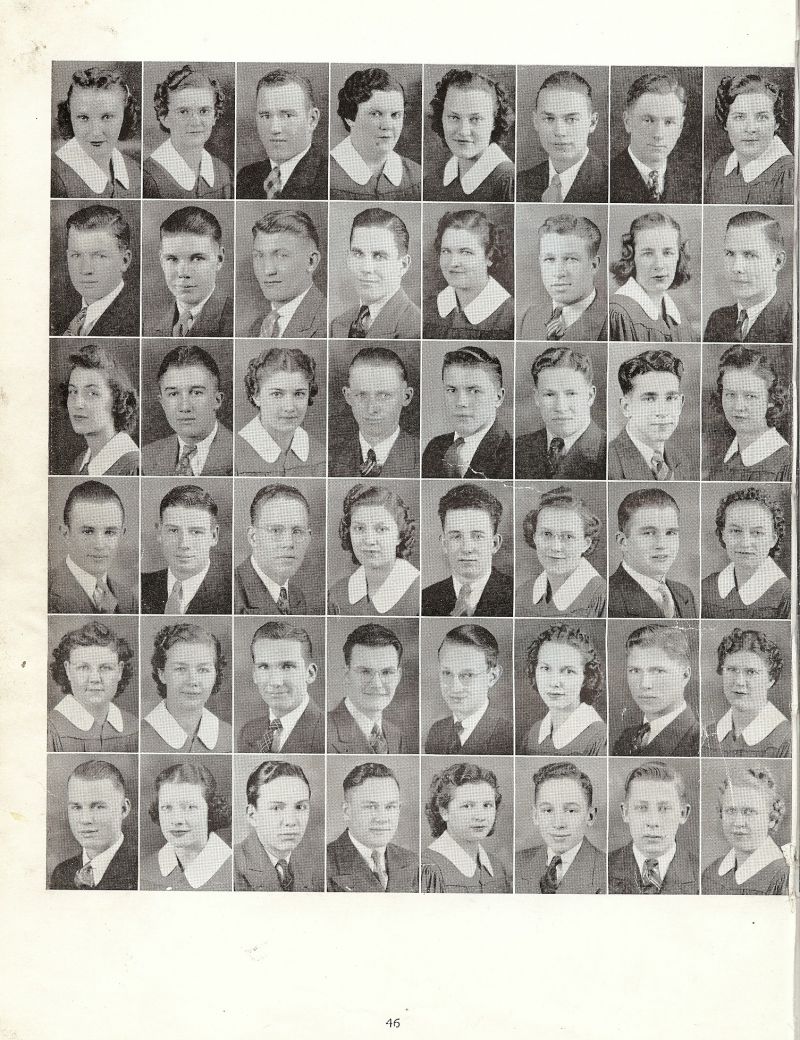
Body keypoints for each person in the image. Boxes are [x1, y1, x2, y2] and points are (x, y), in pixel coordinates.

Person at [330, 67, 421, 200]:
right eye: (375, 114)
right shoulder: (326, 176)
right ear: (350, 118)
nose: (387, 126)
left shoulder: (417, 176)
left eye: (395, 115)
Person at [423, 483, 513, 617]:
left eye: (477, 536)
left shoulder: (514, 594)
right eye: (456, 536)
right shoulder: (425, 599)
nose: (467, 548)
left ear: (495, 544)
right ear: (444, 544)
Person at [515, 346, 606, 480]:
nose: (560, 407)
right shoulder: (517, 448)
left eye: (571, 394)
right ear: (537, 397)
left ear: (590, 396)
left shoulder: (607, 451)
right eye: (549, 394)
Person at [328, 485, 420, 617]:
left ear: (400, 535)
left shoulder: (419, 593)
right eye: (359, 528)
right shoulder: (337, 593)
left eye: (381, 529)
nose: (370, 540)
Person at [424, 68, 514, 202]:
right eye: (454, 117)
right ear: (441, 117)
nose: (463, 131)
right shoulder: (433, 180)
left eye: (475, 119)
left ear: (494, 122)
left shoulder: (508, 182)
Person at [236, 68, 327, 200]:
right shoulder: (246, 176)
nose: (274, 128)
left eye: (287, 115)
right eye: (265, 116)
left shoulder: (328, 178)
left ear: (312, 119)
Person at [608, 760, 698, 894]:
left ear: (683, 813)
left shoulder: (701, 875)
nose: (652, 822)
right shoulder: (605, 868)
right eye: (641, 808)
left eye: (664, 808)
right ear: (625, 812)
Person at [516, 762, 606, 894]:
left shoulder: (607, 870)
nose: (558, 824)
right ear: (535, 816)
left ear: (590, 816)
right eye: (547, 810)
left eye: (571, 811)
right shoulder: (517, 863)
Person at [422, 346, 512, 479]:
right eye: (452, 390)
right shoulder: (435, 447)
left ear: (498, 397)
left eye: (474, 391)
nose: (461, 402)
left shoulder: (513, 455)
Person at [423, 209, 514, 340]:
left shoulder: (510, 316)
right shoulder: (427, 309)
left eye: (466, 252)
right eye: (446, 251)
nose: (453, 263)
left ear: (489, 256)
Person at [143, 65, 232, 199]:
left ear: (214, 116)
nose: (195, 121)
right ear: (164, 117)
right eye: (184, 112)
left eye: (204, 111)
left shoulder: (223, 172)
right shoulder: (148, 178)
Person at [142, 345, 233, 476]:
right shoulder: (145, 457)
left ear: (217, 400)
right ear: (162, 403)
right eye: (173, 394)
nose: (185, 407)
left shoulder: (241, 453)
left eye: (196, 393)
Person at [518, 70, 608, 203]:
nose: (559, 132)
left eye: (571, 119)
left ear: (592, 122)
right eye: (549, 118)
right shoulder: (520, 182)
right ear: (535, 121)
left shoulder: (610, 183)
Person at [330, 208, 420, 338]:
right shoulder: (337, 325)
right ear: (348, 258)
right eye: (358, 254)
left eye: (379, 256)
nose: (366, 268)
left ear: (403, 265)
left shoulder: (417, 327)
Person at [421, 763, 512, 894]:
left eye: (487, 805)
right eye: (467, 806)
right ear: (444, 811)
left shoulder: (496, 866)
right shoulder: (429, 869)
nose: (480, 816)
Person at [327, 762, 418, 892]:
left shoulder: (414, 862)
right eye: (370, 807)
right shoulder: (323, 864)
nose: (382, 818)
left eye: (390, 807)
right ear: (347, 811)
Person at [140, 762, 232, 891]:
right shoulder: (143, 870)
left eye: (190, 807)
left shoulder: (232, 868)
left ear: (210, 809)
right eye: (167, 807)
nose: (177, 820)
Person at [48, 480, 136, 614]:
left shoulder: (129, 599)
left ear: (121, 535)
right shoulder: (43, 592)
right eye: (88, 531)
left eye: (110, 532)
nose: (99, 545)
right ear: (66, 534)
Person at [52, 66, 142, 199]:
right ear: (69, 116)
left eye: (107, 117)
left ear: (125, 116)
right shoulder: (54, 178)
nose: (95, 132)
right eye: (83, 117)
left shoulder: (135, 170)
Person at [47, 621, 137, 752]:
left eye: (106, 667)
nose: (95, 679)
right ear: (67, 670)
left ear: (120, 670)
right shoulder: (50, 730)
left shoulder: (133, 727)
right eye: (83, 667)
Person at [701, 487, 790, 619]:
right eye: (736, 531)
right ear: (723, 535)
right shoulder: (707, 587)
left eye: (757, 533)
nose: (745, 543)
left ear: (773, 539)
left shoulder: (786, 594)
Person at [144, 205, 233, 337]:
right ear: (162, 260)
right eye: (172, 259)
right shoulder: (149, 324)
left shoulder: (233, 322)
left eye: (197, 258)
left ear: (219, 259)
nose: (183, 273)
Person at [236, 346, 326, 476]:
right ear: (256, 395)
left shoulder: (320, 455)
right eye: (277, 394)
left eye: (299, 394)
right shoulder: (234, 454)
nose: (289, 407)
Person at [517, 487, 606, 618]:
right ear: (535, 537)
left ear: (585, 543)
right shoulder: (523, 592)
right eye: (547, 534)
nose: (556, 547)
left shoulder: (602, 596)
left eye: (568, 537)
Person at [704, 210, 791, 343]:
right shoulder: (718, 320)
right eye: (730, 253)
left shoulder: (792, 323)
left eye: (750, 255)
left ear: (777, 261)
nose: (736, 268)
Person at [610, 72, 699, 203]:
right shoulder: (607, 178)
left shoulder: (694, 183)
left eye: (669, 122)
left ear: (680, 127)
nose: (658, 135)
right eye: (648, 120)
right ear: (628, 122)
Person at [706, 73, 794, 205]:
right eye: (739, 117)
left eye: (762, 117)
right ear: (725, 123)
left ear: (776, 123)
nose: (751, 128)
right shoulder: (720, 168)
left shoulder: (789, 174)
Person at [143, 622, 232, 753]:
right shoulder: (139, 737)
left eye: (203, 669)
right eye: (180, 669)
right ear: (162, 674)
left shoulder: (230, 736)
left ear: (216, 674)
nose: (193, 681)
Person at [141, 484, 229, 615]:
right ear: (159, 533)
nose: (183, 544)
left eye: (196, 532)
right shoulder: (142, 586)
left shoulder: (231, 592)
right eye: (173, 530)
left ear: (214, 536)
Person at [706, 345, 791, 482]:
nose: (738, 407)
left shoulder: (788, 465)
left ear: (771, 399)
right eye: (730, 394)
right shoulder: (720, 464)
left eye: (750, 396)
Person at [234, 761, 323, 892]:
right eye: (276, 808)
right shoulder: (232, 867)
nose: (291, 821)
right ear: (252, 815)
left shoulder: (315, 869)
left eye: (300, 807)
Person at [48, 760, 137, 890]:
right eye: (76, 807)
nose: (85, 819)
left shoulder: (140, 869)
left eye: (99, 807)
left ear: (124, 808)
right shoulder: (62, 873)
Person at [330, 346, 418, 477]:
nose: (372, 409)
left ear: (406, 397)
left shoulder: (423, 456)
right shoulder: (329, 459)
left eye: (384, 396)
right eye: (361, 395)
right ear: (348, 396)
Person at [609, 488, 697, 619]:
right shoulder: (609, 598)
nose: (662, 544)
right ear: (623, 542)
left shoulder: (684, 593)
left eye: (670, 532)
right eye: (649, 533)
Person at [613, 625, 700, 756]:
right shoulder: (626, 738)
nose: (644, 684)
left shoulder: (698, 741)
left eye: (658, 671)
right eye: (635, 671)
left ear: (685, 675)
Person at [237, 621, 324, 753]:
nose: (275, 682)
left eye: (287, 666)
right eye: (264, 667)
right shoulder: (248, 732)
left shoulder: (326, 733)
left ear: (310, 674)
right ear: (255, 675)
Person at [425, 624, 513, 754]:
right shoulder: (436, 731)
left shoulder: (509, 736)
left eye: (467, 675)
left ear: (492, 677)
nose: (455, 687)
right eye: (447, 673)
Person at [703, 628, 791, 758]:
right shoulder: (707, 735)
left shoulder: (787, 738)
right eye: (731, 669)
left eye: (751, 672)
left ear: (771, 679)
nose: (739, 682)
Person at [518, 215, 607, 342]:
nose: (559, 273)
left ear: (594, 265)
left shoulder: (613, 321)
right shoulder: (529, 318)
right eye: (549, 259)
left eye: (571, 259)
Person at [702, 767, 790, 895]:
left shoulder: (784, 876)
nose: (738, 823)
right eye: (731, 811)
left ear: (771, 819)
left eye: (749, 812)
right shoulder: (712, 871)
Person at [521, 624, 606, 755]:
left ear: (586, 678)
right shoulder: (534, 733)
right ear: (534, 670)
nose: (554, 682)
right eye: (546, 668)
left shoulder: (599, 738)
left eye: (568, 671)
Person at [54, 204, 139, 336]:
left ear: (124, 261)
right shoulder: (59, 317)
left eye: (100, 256)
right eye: (76, 255)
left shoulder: (135, 322)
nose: (86, 269)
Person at [328, 624, 413, 754]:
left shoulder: (396, 736)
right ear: (347, 675)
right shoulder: (323, 732)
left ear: (398, 676)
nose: (377, 684)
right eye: (365, 671)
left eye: (386, 672)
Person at [609, 212, 694, 342]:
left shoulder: (678, 316)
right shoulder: (618, 314)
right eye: (648, 253)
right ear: (632, 257)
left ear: (678, 257)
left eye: (668, 252)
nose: (659, 264)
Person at [235, 484, 317, 615]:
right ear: (253, 537)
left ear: (308, 538)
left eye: (297, 531)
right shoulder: (232, 594)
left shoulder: (296, 596)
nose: (289, 543)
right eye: (275, 530)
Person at [60, 343, 139, 475]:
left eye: (92, 393)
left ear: (117, 400)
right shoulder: (80, 462)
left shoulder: (132, 466)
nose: (78, 404)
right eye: (73, 391)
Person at [608, 349, 687, 479]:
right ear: (626, 407)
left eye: (671, 398)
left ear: (680, 403)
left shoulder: (682, 459)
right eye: (649, 399)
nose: (662, 412)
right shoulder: (609, 464)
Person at [246, 210, 326, 338]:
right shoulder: (258, 326)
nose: (268, 270)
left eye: (281, 255)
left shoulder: (327, 323)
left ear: (311, 261)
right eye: (259, 256)